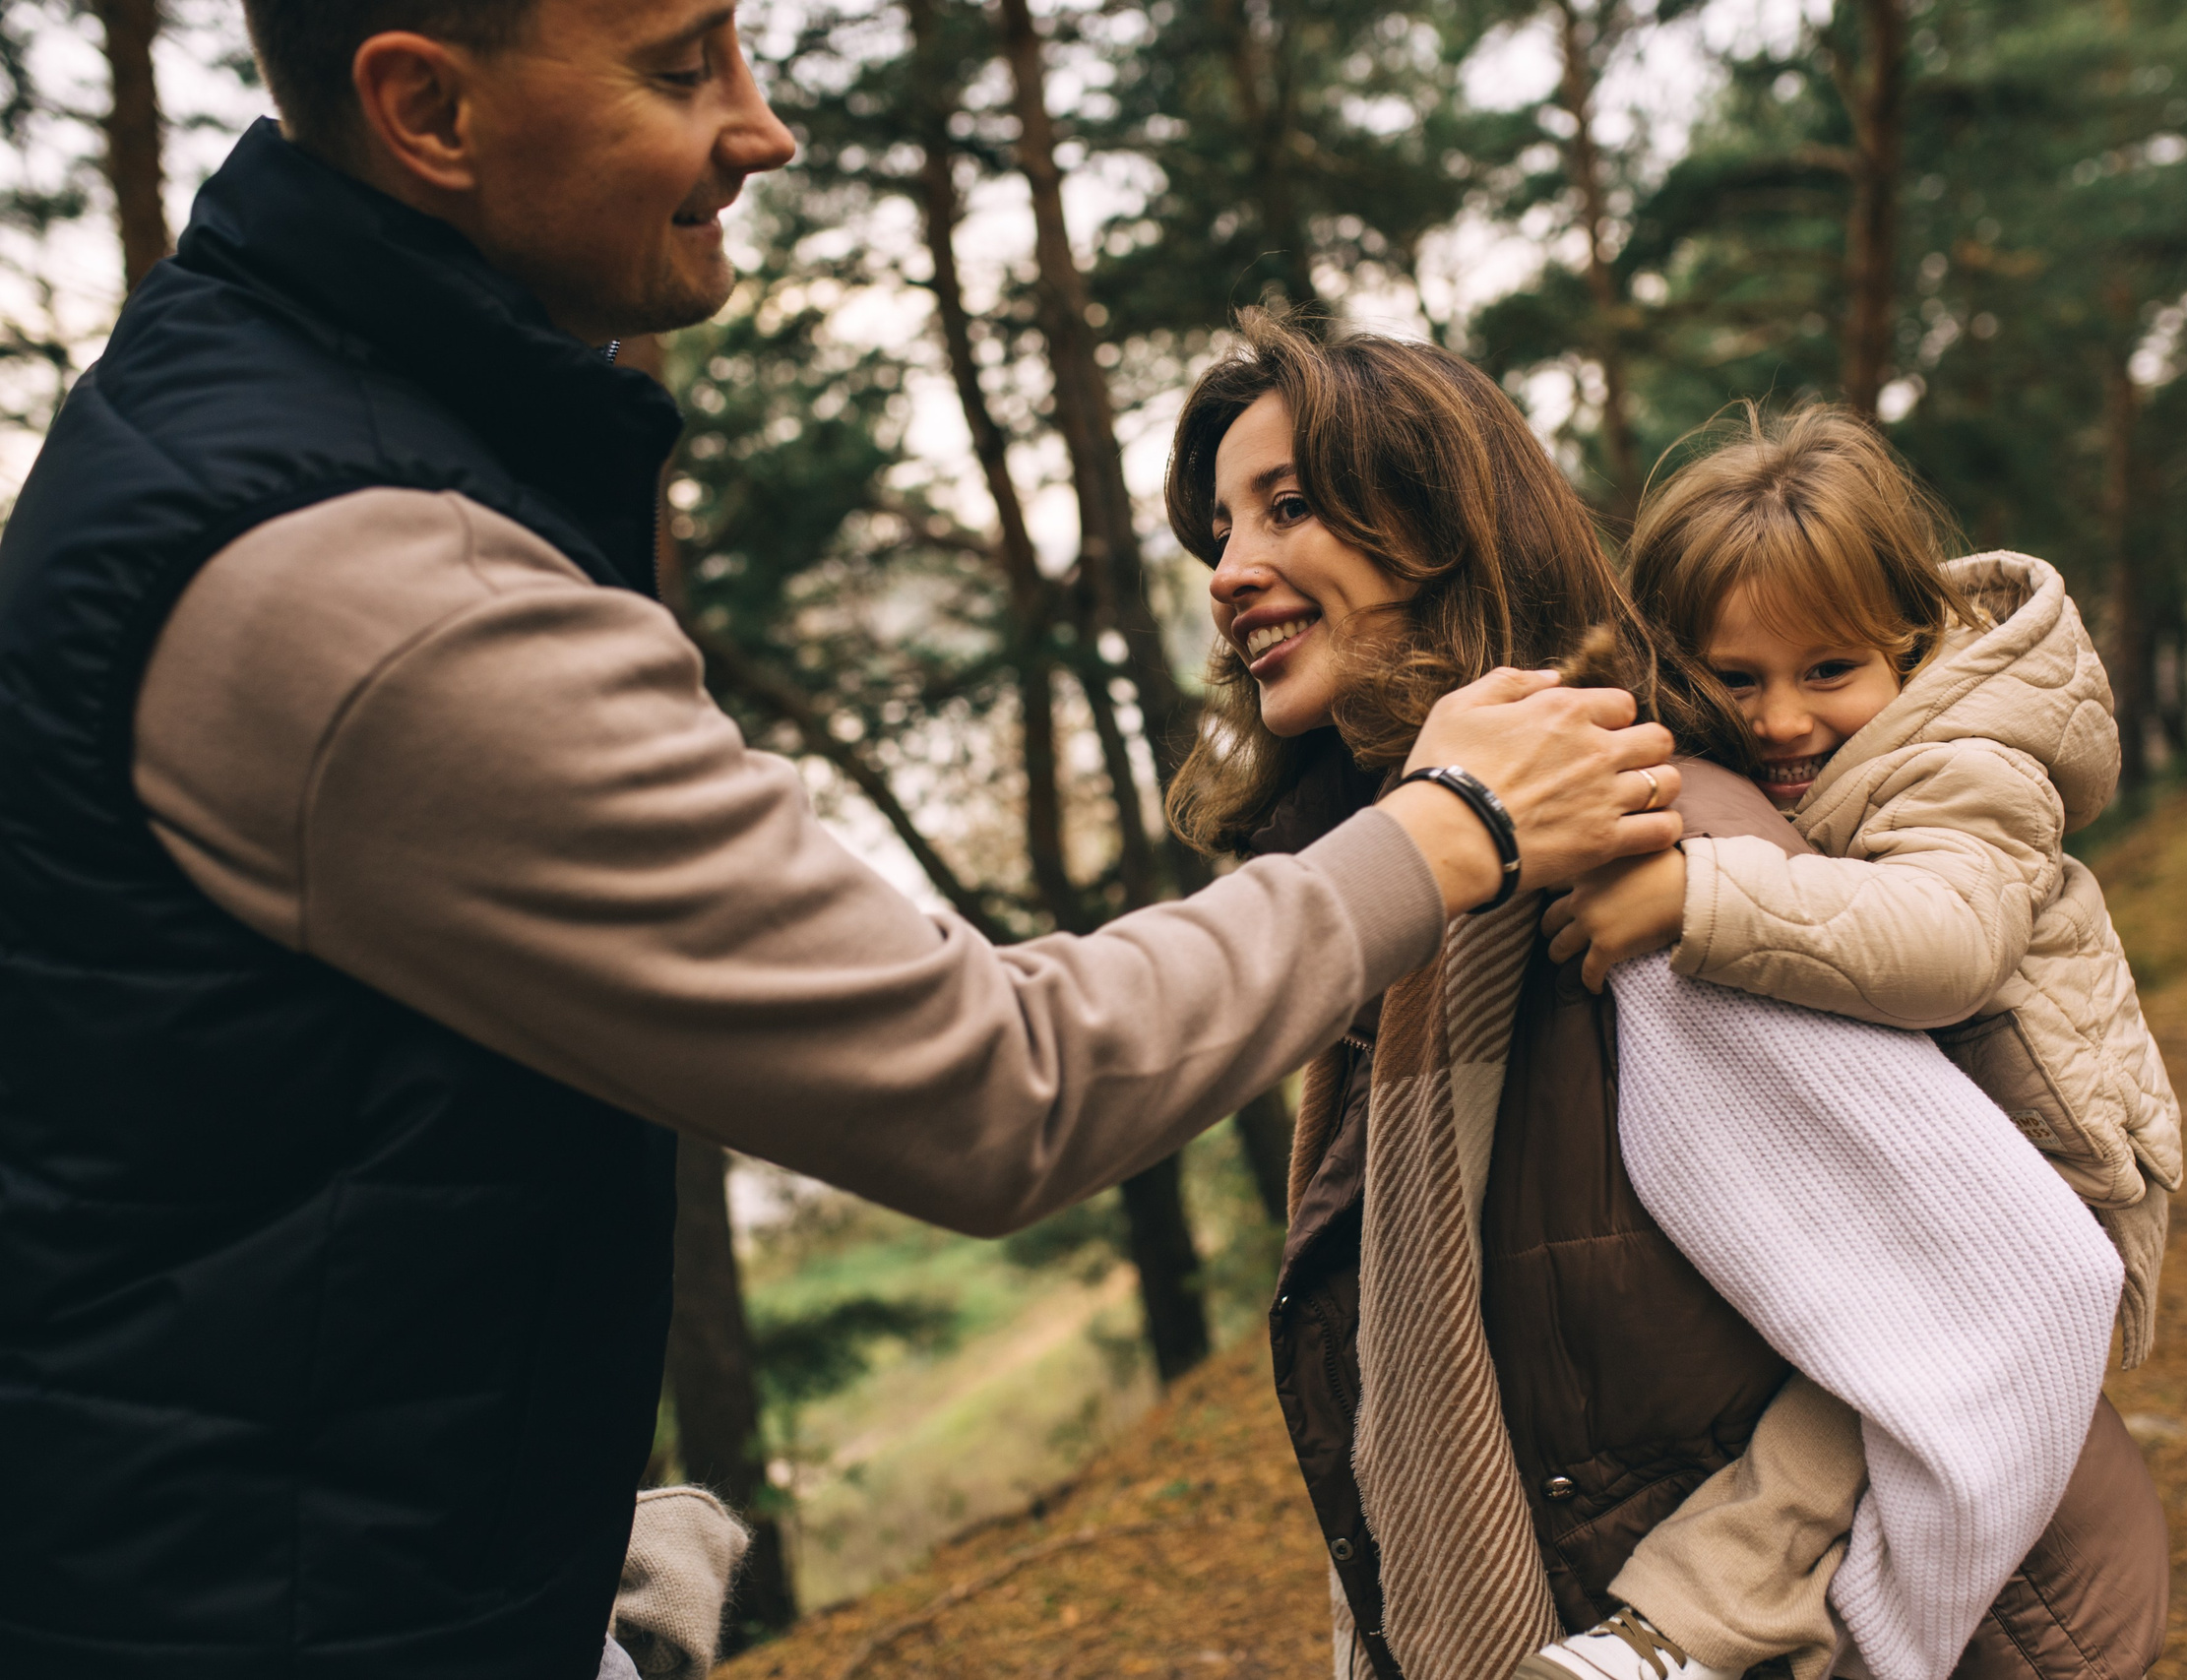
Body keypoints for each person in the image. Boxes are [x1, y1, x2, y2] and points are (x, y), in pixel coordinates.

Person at [0, 0, 1693, 1673]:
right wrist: (1447, 826)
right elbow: (996, 1081)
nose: (763, 124)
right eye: (682, 68)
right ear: (427, 112)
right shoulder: (366, 582)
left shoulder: (249, 435)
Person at [1163, 315, 2167, 1680]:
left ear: (1441, 520)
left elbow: (2029, 1290)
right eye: (1217, 530)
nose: (1233, 571)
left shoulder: (1645, 863)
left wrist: (1844, 1649)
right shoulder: (1441, 916)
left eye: (1288, 507)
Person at [1536, 403, 2184, 1680]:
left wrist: (1700, 896)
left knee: (1839, 1419)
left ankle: (1681, 1632)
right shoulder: (1817, 740)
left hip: (2048, 1178)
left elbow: (1948, 946)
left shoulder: (1967, 759)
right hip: (1939, 1145)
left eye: (1828, 671)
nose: (1780, 721)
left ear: (1910, 641)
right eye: (1735, 680)